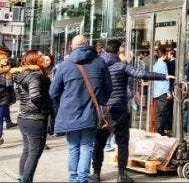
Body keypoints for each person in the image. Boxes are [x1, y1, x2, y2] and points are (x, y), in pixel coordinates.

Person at [90, 39, 174, 183]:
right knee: (122, 142)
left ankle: (96, 173)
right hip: (119, 109)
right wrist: (164, 77)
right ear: (118, 52)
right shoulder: (122, 65)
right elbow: (141, 74)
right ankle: (122, 174)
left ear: (105, 50)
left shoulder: (98, 65)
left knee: (99, 142)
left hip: (103, 110)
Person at [49, 35, 112, 183]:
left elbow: (53, 92)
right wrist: (99, 102)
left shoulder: (64, 66)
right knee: (87, 146)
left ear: (72, 46)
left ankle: (73, 178)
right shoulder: (99, 63)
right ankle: (83, 178)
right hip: (91, 112)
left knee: (73, 148)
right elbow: (108, 88)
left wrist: (64, 104)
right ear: (88, 44)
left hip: (70, 113)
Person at [11, 50, 54, 183]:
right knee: (34, 152)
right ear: (33, 59)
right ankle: (26, 179)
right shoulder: (35, 75)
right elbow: (35, 96)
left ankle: (22, 177)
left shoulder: (23, 74)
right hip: (35, 118)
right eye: (40, 56)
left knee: (27, 150)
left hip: (24, 116)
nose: (43, 58)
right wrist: (46, 107)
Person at [152, 47, 173, 136]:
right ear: (164, 55)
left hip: (156, 91)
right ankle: (161, 130)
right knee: (165, 112)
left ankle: (158, 129)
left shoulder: (155, 64)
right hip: (162, 91)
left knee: (158, 112)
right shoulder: (163, 65)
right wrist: (168, 92)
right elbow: (165, 78)